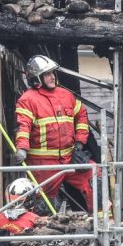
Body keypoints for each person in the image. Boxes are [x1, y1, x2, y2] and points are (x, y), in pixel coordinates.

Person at [13, 55, 95, 213]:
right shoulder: (28, 100)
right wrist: (22, 149)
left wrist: (79, 143)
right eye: (47, 74)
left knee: (95, 177)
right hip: (43, 164)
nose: (52, 77)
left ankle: (102, 221)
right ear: (36, 78)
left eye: (52, 73)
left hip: (69, 158)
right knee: (42, 204)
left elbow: (81, 115)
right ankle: (45, 227)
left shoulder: (66, 95)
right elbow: (23, 126)